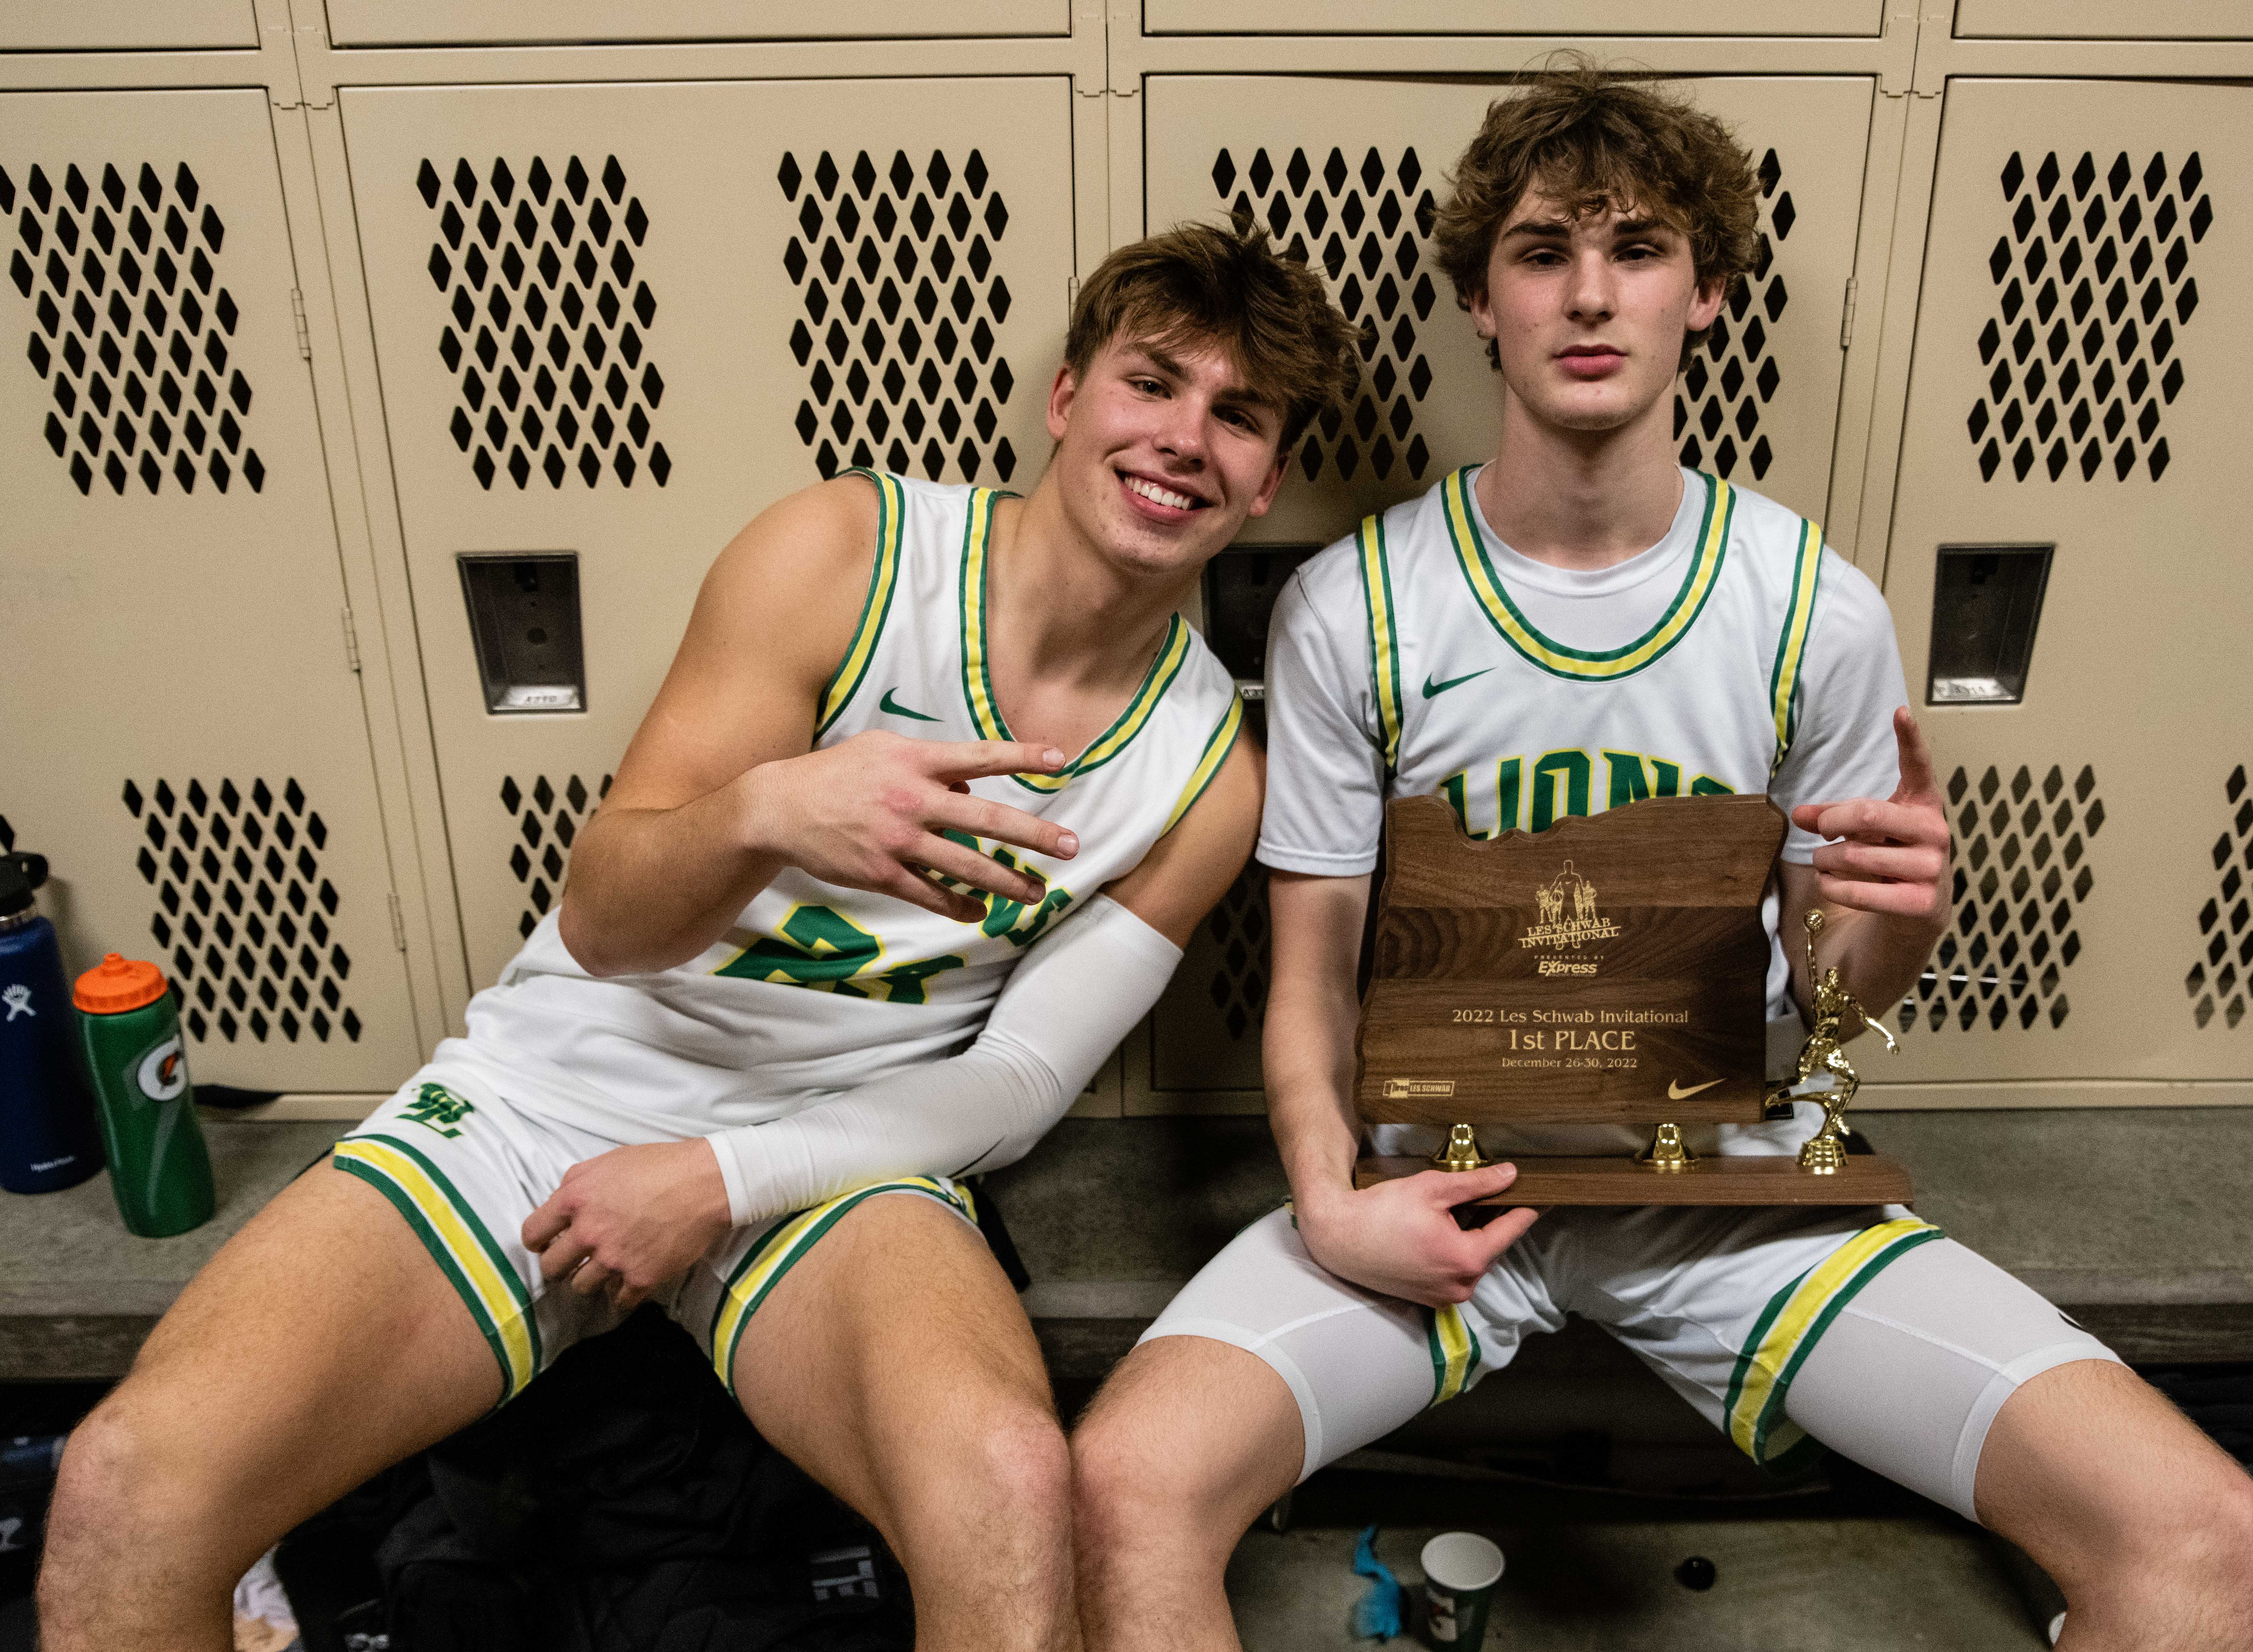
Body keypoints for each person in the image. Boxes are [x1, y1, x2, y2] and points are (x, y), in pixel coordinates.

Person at [1068, 65, 2253, 1652]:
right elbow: (1309, 975)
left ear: (1706, 291)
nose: (1588, 291)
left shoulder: (1808, 604)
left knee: (2200, 1532)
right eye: (1541, 249)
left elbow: (1834, 1005)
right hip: (1439, 1175)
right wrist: (1329, 1195)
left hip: (1718, 1185)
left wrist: (1898, 921)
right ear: (1480, 302)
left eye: (1636, 248)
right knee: (1119, 1485)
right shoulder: (1359, 600)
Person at [38, 222, 1355, 1652]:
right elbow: (602, 921)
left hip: (837, 1150)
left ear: (1269, 475)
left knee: (1008, 1482)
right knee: (128, 1490)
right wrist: (773, 810)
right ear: (1065, 397)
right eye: (1151, 383)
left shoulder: (1204, 770)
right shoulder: (847, 552)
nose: (1182, 438)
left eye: (1236, 415)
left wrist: (716, 1179)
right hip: (565, 1088)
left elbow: (1020, 1083)